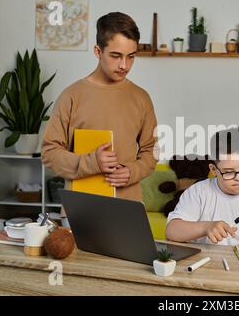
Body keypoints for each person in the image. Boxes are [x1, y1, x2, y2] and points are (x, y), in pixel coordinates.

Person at [42, 12, 158, 204]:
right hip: (80, 207)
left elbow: (151, 150)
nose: (124, 65)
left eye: (131, 57)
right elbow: (49, 154)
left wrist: (132, 171)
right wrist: (92, 162)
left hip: (127, 206)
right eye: (116, 56)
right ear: (98, 51)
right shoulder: (71, 96)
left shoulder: (141, 98)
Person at [166, 127, 239, 246]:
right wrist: (206, 227)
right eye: (228, 172)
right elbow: (171, 231)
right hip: (204, 262)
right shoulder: (198, 192)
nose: (238, 177)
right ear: (213, 169)